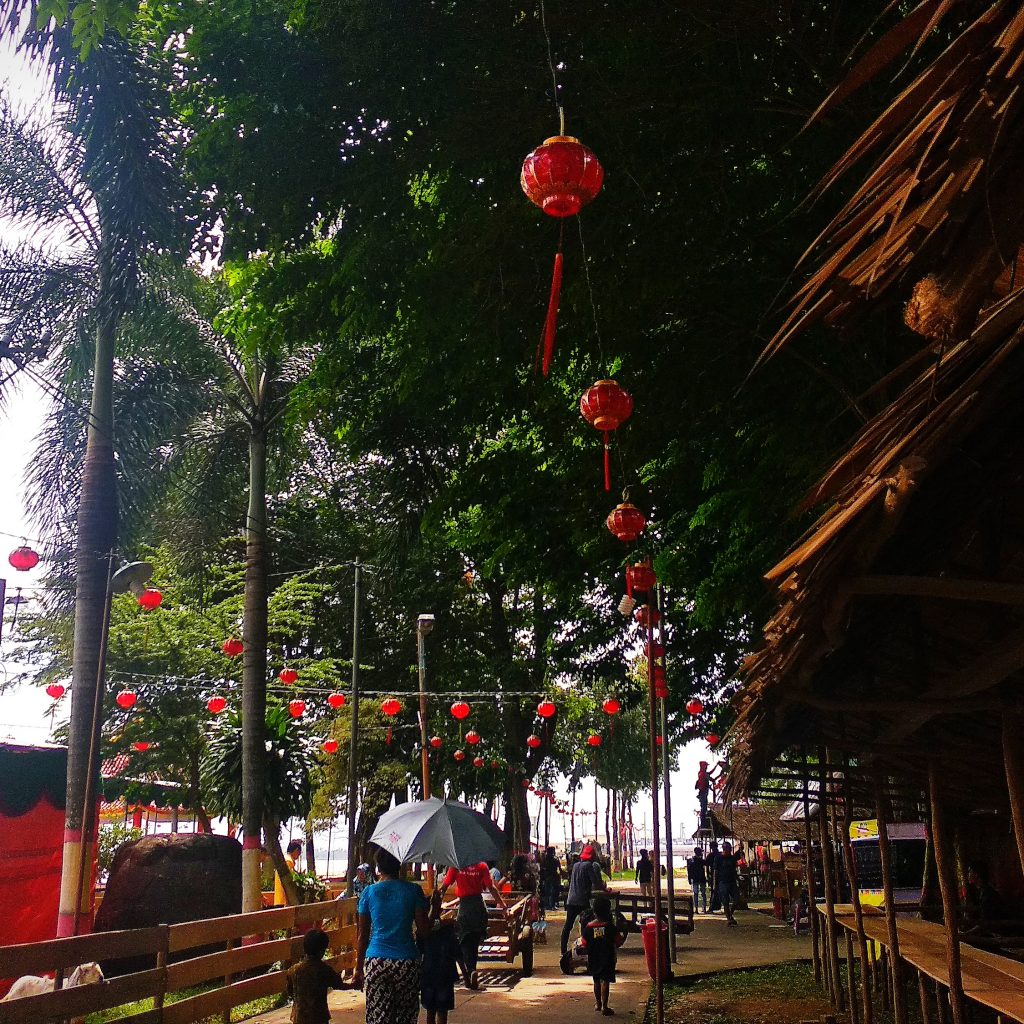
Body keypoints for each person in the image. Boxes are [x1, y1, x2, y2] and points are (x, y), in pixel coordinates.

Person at [354, 848, 431, 1024]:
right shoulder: (413, 891)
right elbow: (424, 930)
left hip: (377, 961)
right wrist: (434, 909)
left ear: (377, 868)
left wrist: (358, 969)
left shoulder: (368, 893)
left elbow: (362, 936)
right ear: (399, 866)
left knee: (379, 1018)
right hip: (407, 961)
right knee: (406, 1016)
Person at [437, 859, 507, 990]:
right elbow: (490, 887)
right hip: (479, 907)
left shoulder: (456, 866)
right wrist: (502, 905)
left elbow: (444, 887)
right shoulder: (482, 866)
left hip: (464, 907)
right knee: (474, 940)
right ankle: (472, 969)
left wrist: (436, 904)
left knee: (464, 939)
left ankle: (470, 970)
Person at [286, 927, 349, 1024]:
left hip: (299, 1017)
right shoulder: (324, 970)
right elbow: (339, 984)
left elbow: (290, 991)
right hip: (319, 1017)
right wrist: (354, 985)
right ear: (322, 951)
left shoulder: (293, 970)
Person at [420, 890, 464, 1024]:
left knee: (430, 1010)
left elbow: (419, 950)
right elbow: (457, 953)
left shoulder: (422, 932)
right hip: (445, 974)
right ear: (439, 911)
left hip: (428, 973)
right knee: (442, 1011)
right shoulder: (447, 929)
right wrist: (466, 975)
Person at [560, 845, 608, 958]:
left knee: (568, 926)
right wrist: (604, 887)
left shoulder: (576, 866)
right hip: (582, 900)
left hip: (571, 900)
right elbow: (596, 883)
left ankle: (563, 949)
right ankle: (585, 947)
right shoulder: (588, 866)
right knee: (586, 925)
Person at [582, 894, 623, 1016]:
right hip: (608, 958)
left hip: (593, 957)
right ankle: (605, 1006)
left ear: (594, 912)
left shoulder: (589, 927)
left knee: (596, 981)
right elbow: (619, 940)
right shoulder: (610, 927)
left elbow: (584, 943)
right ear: (608, 912)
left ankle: (598, 1003)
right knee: (605, 981)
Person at [964, 861, 1001, 931]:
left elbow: (985, 923)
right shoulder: (978, 891)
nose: (968, 875)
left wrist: (966, 934)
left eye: (970, 872)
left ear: (977, 874)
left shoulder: (987, 894)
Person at [716, 841, 740, 926]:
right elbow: (715, 871)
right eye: (726, 849)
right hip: (723, 882)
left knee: (737, 900)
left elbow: (734, 871)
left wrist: (738, 879)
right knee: (725, 901)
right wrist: (715, 884)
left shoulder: (732, 858)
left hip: (732, 881)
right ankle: (729, 918)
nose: (728, 851)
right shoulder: (719, 858)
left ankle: (730, 915)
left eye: (729, 849)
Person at [275, 839, 304, 907]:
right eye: (299, 853)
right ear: (296, 850)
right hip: (284, 899)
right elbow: (291, 880)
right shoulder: (288, 861)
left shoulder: (285, 860)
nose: (299, 855)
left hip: (281, 898)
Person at [687, 848, 708, 913]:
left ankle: (696, 908)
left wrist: (689, 879)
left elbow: (689, 871)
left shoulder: (692, 861)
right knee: (703, 894)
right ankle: (703, 908)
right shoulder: (701, 861)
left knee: (696, 894)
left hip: (695, 879)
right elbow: (707, 864)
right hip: (701, 879)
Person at [696, 762, 712, 829]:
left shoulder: (701, 773)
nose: (706, 767)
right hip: (703, 793)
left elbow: (709, 775)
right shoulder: (702, 774)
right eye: (706, 766)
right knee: (704, 808)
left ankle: (703, 823)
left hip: (703, 793)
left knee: (704, 808)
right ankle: (703, 824)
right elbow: (709, 775)